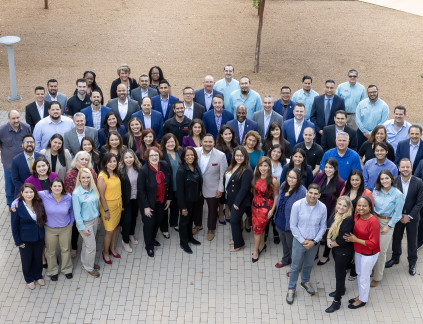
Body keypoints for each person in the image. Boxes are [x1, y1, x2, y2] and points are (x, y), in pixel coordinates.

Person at [286, 184, 327, 305]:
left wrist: (314, 242)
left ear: (319, 195)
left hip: (314, 242)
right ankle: (291, 288)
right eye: (311, 193)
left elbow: (323, 226)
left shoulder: (323, 207)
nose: (313, 196)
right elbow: (293, 225)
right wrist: (303, 241)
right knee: (295, 266)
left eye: (316, 194)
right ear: (306, 193)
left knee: (309, 264)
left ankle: (305, 281)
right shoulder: (297, 205)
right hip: (300, 241)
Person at [386, 158, 423, 276]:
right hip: (398, 216)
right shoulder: (394, 181)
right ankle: (395, 258)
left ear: (411, 168)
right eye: (403, 167)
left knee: (412, 241)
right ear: (399, 168)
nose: (405, 169)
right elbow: (391, 200)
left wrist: (410, 216)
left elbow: (420, 202)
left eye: (408, 167)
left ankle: (412, 262)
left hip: (412, 217)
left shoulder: (419, 182)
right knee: (396, 238)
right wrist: (399, 215)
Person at [343, 196, 380, 309]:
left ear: (370, 207)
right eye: (359, 205)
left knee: (364, 277)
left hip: (369, 254)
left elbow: (373, 243)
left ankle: (363, 300)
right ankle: (360, 295)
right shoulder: (357, 216)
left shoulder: (373, 221)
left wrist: (355, 240)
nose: (361, 208)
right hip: (359, 251)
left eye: (364, 206)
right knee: (359, 274)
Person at [371, 170, 405, 287]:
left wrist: (389, 226)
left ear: (391, 179)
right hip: (374, 220)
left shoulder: (398, 194)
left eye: (386, 178)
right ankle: (371, 269)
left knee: (381, 250)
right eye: (382, 179)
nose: (384, 181)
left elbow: (398, 214)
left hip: (387, 222)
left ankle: (378, 276)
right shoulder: (376, 190)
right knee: (372, 246)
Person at [137, 147, 172, 257]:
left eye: (156, 155)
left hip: (161, 201)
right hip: (148, 203)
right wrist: (146, 206)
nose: (154, 157)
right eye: (151, 155)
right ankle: (149, 246)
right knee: (149, 224)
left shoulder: (164, 165)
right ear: (147, 157)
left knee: (158, 221)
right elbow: (141, 190)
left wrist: (169, 198)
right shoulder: (143, 171)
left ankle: (152, 239)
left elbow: (169, 183)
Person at [11, 183, 47, 290]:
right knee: (26, 260)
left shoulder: (39, 203)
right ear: (21, 193)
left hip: (38, 236)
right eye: (26, 192)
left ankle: (38, 275)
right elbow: (14, 226)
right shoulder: (17, 206)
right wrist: (18, 242)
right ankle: (29, 278)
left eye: (31, 192)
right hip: (25, 239)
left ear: (34, 193)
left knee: (38, 258)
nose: (29, 194)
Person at [324, 196, 355, 313]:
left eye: (344, 206)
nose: (341, 207)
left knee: (340, 275)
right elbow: (329, 227)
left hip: (343, 251)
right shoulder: (335, 213)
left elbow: (343, 239)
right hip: (335, 248)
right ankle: (341, 290)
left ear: (349, 208)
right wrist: (328, 239)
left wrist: (331, 244)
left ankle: (337, 301)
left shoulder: (348, 220)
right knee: (339, 273)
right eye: (339, 204)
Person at [194, 134, 228, 241]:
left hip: (213, 188)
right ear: (201, 143)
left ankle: (211, 229)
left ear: (214, 143)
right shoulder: (195, 152)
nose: (208, 144)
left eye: (210, 142)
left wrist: (220, 189)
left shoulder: (221, 155)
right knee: (197, 208)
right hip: (197, 187)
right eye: (205, 142)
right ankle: (198, 225)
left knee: (213, 210)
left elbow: (224, 174)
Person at [313, 158, 345, 265]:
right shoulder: (320, 176)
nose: (328, 169)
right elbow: (313, 189)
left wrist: (337, 214)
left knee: (329, 234)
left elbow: (340, 199)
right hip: (317, 209)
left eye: (330, 167)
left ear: (335, 169)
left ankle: (326, 255)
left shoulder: (340, 182)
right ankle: (315, 252)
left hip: (330, 212)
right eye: (326, 167)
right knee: (316, 231)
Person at [41, 178, 74, 281]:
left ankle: (67, 269)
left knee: (66, 249)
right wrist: (15, 201)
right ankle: (53, 271)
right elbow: (28, 192)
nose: (57, 188)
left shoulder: (68, 197)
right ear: (51, 187)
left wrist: (71, 223)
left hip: (65, 228)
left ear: (62, 187)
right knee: (51, 251)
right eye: (54, 186)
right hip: (50, 229)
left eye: (59, 186)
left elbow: (72, 211)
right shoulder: (44, 195)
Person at [274, 169, 306, 269]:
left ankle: (296, 266)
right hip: (280, 221)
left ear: (299, 179)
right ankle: (285, 259)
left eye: (293, 177)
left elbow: (303, 211)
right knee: (284, 244)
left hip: (291, 226)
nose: (290, 179)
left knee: (293, 247)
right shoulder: (284, 184)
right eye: (289, 176)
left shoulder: (302, 192)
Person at [72, 168, 101, 277]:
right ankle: (89, 268)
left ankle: (87, 262)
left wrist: (97, 215)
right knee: (91, 247)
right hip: (85, 223)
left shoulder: (93, 188)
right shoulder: (76, 193)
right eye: (83, 177)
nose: (86, 180)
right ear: (79, 178)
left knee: (87, 244)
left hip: (94, 220)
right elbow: (77, 213)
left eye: (88, 177)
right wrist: (82, 227)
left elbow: (95, 204)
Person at [224, 146, 253, 252]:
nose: (239, 157)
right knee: (235, 221)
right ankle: (237, 239)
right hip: (231, 197)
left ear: (245, 156)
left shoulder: (247, 170)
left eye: (241, 155)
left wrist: (237, 203)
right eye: (237, 155)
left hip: (239, 201)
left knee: (234, 221)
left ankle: (238, 245)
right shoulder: (233, 165)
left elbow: (244, 189)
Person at [0, 110, 31, 207]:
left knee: (24, 185)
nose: (16, 120)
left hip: (24, 165)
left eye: (18, 117)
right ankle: (10, 205)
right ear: (8, 119)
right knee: (10, 187)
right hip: (9, 166)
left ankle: (24, 203)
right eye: (13, 118)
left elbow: (30, 142)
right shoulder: (1, 130)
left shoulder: (26, 127)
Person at [251, 156, 279, 262]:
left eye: (265, 166)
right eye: (261, 166)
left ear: (269, 167)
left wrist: (272, 210)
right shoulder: (256, 176)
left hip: (265, 208)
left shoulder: (273, 180)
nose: (263, 168)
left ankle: (255, 251)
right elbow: (255, 190)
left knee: (257, 230)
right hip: (255, 205)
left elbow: (276, 195)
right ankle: (261, 245)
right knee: (260, 228)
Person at [176, 147, 203, 254]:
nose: (190, 157)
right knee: (183, 222)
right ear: (183, 157)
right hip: (186, 202)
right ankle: (183, 242)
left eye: (192, 155)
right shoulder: (181, 170)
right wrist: (183, 207)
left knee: (191, 220)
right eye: (187, 155)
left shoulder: (196, 167)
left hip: (195, 200)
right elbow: (180, 191)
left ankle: (190, 238)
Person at [98, 153, 122, 264]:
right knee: (109, 230)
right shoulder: (102, 176)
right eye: (110, 162)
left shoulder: (116, 173)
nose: (112, 164)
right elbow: (101, 196)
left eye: (114, 161)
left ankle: (112, 249)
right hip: (108, 206)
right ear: (105, 163)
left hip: (118, 205)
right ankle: (105, 252)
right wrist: (106, 211)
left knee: (115, 228)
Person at [118, 149, 142, 253]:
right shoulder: (120, 171)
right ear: (123, 159)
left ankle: (131, 234)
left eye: (131, 157)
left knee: (134, 218)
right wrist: (121, 203)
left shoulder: (138, 168)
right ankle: (125, 241)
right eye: (126, 157)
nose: (129, 159)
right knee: (127, 221)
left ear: (134, 158)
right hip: (126, 200)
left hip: (136, 198)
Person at [310, 79, 346, 144]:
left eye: (331, 88)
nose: (329, 90)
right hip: (319, 134)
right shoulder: (317, 99)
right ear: (324, 88)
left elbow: (342, 118)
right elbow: (312, 117)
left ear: (335, 89)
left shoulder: (340, 101)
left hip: (333, 134)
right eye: (327, 87)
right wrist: (318, 130)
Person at [215, 125, 238, 223]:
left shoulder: (236, 145)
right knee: (222, 195)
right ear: (221, 135)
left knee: (230, 194)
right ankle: (220, 212)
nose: (228, 136)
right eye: (226, 134)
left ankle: (227, 211)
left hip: (233, 174)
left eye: (230, 134)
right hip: (222, 175)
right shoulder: (218, 148)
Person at [160, 133, 183, 233]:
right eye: (168, 142)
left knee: (177, 206)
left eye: (172, 142)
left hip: (180, 185)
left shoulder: (180, 151)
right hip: (167, 186)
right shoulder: (161, 155)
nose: (170, 144)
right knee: (166, 206)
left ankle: (174, 223)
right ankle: (164, 228)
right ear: (164, 144)